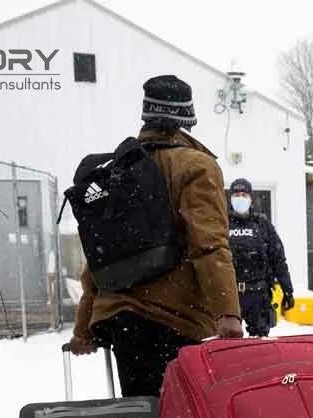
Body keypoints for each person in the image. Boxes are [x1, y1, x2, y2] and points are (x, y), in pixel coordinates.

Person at [69, 74, 244, 396]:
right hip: (172, 316)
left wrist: (83, 329)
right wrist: (228, 312)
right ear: (186, 118)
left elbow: (99, 256)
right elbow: (208, 243)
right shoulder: (196, 165)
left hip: (119, 318)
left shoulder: (118, 168)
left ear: (147, 115)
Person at [226, 177, 295, 337]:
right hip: (230, 296)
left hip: (258, 295)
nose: (240, 198)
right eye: (236, 194)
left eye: (244, 194)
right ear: (230, 198)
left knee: (260, 346)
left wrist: (288, 290)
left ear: (251, 198)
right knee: (228, 344)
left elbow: (278, 258)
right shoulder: (223, 223)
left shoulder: (262, 224)